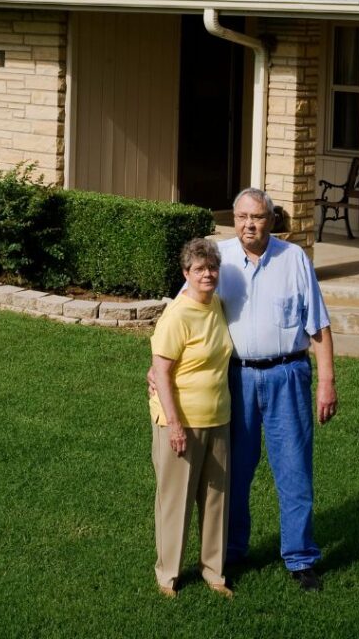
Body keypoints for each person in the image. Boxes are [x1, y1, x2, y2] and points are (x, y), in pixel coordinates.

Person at [220, 188, 337, 591]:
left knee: (294, 470)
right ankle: (231, 552)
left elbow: (318, 326)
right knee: (234, 471)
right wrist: (159, 365)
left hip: (288, 375)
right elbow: (183, 313)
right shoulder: (219, 259)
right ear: (233, 219)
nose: (248, 225)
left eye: (257, 217)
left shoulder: (294, 260)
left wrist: (326, 382)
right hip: (236, 379)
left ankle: (301, 559)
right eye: (241, 217)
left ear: (272, 220)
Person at [149, 237, 234, 599]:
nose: (207, 274)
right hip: (180, 420)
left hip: (219, 418)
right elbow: (161, 372)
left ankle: (214, 573)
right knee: (176, 500)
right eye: (199, 269)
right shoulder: (177, 315)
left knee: (216, 500)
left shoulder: (216, 305)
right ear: (186, 273)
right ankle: (167, 575)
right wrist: (175, 425)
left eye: (212, 267)